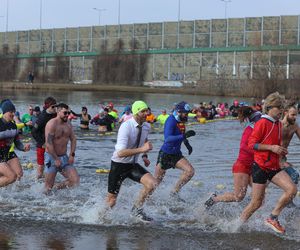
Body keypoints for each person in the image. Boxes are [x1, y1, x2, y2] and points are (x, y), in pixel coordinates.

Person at [240, 92, 297, 234]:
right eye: (279, 108)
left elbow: (275, 144)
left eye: (282, 108)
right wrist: (271, 148)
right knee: (256, 203)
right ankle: (236, 227)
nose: (281, 111)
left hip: (274, 167)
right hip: (260, 167)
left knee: (292, 190)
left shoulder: (277, 124)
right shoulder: (262, 123)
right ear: (270, 107)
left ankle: (273, 217)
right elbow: (251, 144)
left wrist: (281, 154)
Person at [105, 100, 157, 222]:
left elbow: (144, 139)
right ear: (136, 112)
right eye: (143, 111)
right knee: (112, 201)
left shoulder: (146, 126)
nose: (146, 113)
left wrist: (144, 155)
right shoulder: (126, 127)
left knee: (152, 184)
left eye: (147, 110)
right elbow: (120, 153)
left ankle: (136, 210)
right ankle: (98, 219)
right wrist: (142, 149)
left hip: (132, 165)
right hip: (118, 165)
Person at [204, 107, 261, 208]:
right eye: (260, 122)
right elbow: (245, 147)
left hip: (254, 166)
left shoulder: (259, 130)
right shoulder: (249, 130)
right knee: (238, 196)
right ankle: (214, 199)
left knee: (260, 195)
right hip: (242, 166)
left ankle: (256, 215)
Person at [154, 101, 195, 201]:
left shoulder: (181, 121)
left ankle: (174, 192)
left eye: (187, 113)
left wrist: (187, 144)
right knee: (155, 184)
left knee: (190, 171)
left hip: (176, 154)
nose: (187, 115)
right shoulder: (171, 120)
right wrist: (183, 136)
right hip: (165, 155)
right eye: (185, 113)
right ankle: (150, 201)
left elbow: (182, 135)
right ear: (179, 111)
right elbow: (168, 138)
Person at [44, 103, 79, 193]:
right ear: (58, 111)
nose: (67, 115)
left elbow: (73, 139)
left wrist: (72, 155)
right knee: (48, 188)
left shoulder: (68, 124)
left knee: (75, 180)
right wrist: (56, 159)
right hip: (51, 157)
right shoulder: (51, 124)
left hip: (64, 157)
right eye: (65, 113)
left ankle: (56, 188)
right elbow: (48, 144)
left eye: (68, 112)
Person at [0, 99, 30, 188]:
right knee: (11, 177)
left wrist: (24, 148)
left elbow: (17, 142)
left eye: (14, 111)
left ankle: (9, 195)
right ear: (4, 112)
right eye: (11, 112)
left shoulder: (13, 126)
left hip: (7, 153)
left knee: (19, 174)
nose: (13, 114)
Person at [31, 97, 57, 179]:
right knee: (41, 167)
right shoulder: (42, 117)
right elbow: (33, 132)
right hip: (41, 146)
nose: (55, 108)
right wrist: (42, 143)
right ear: (47, 106)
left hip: (51, 145)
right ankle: (37, 183)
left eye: (55, 106)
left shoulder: (55, 115)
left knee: (52, 165)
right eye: (53, 107)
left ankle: (48, 180)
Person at [281, 103, 300, 185]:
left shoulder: (295, 126)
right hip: (273, 158)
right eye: (293, 115)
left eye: (296, 115)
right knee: (294, 175)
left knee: (294, 178)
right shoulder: (278, 125)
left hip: (283, 157)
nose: (295, 117)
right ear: (286, 113)